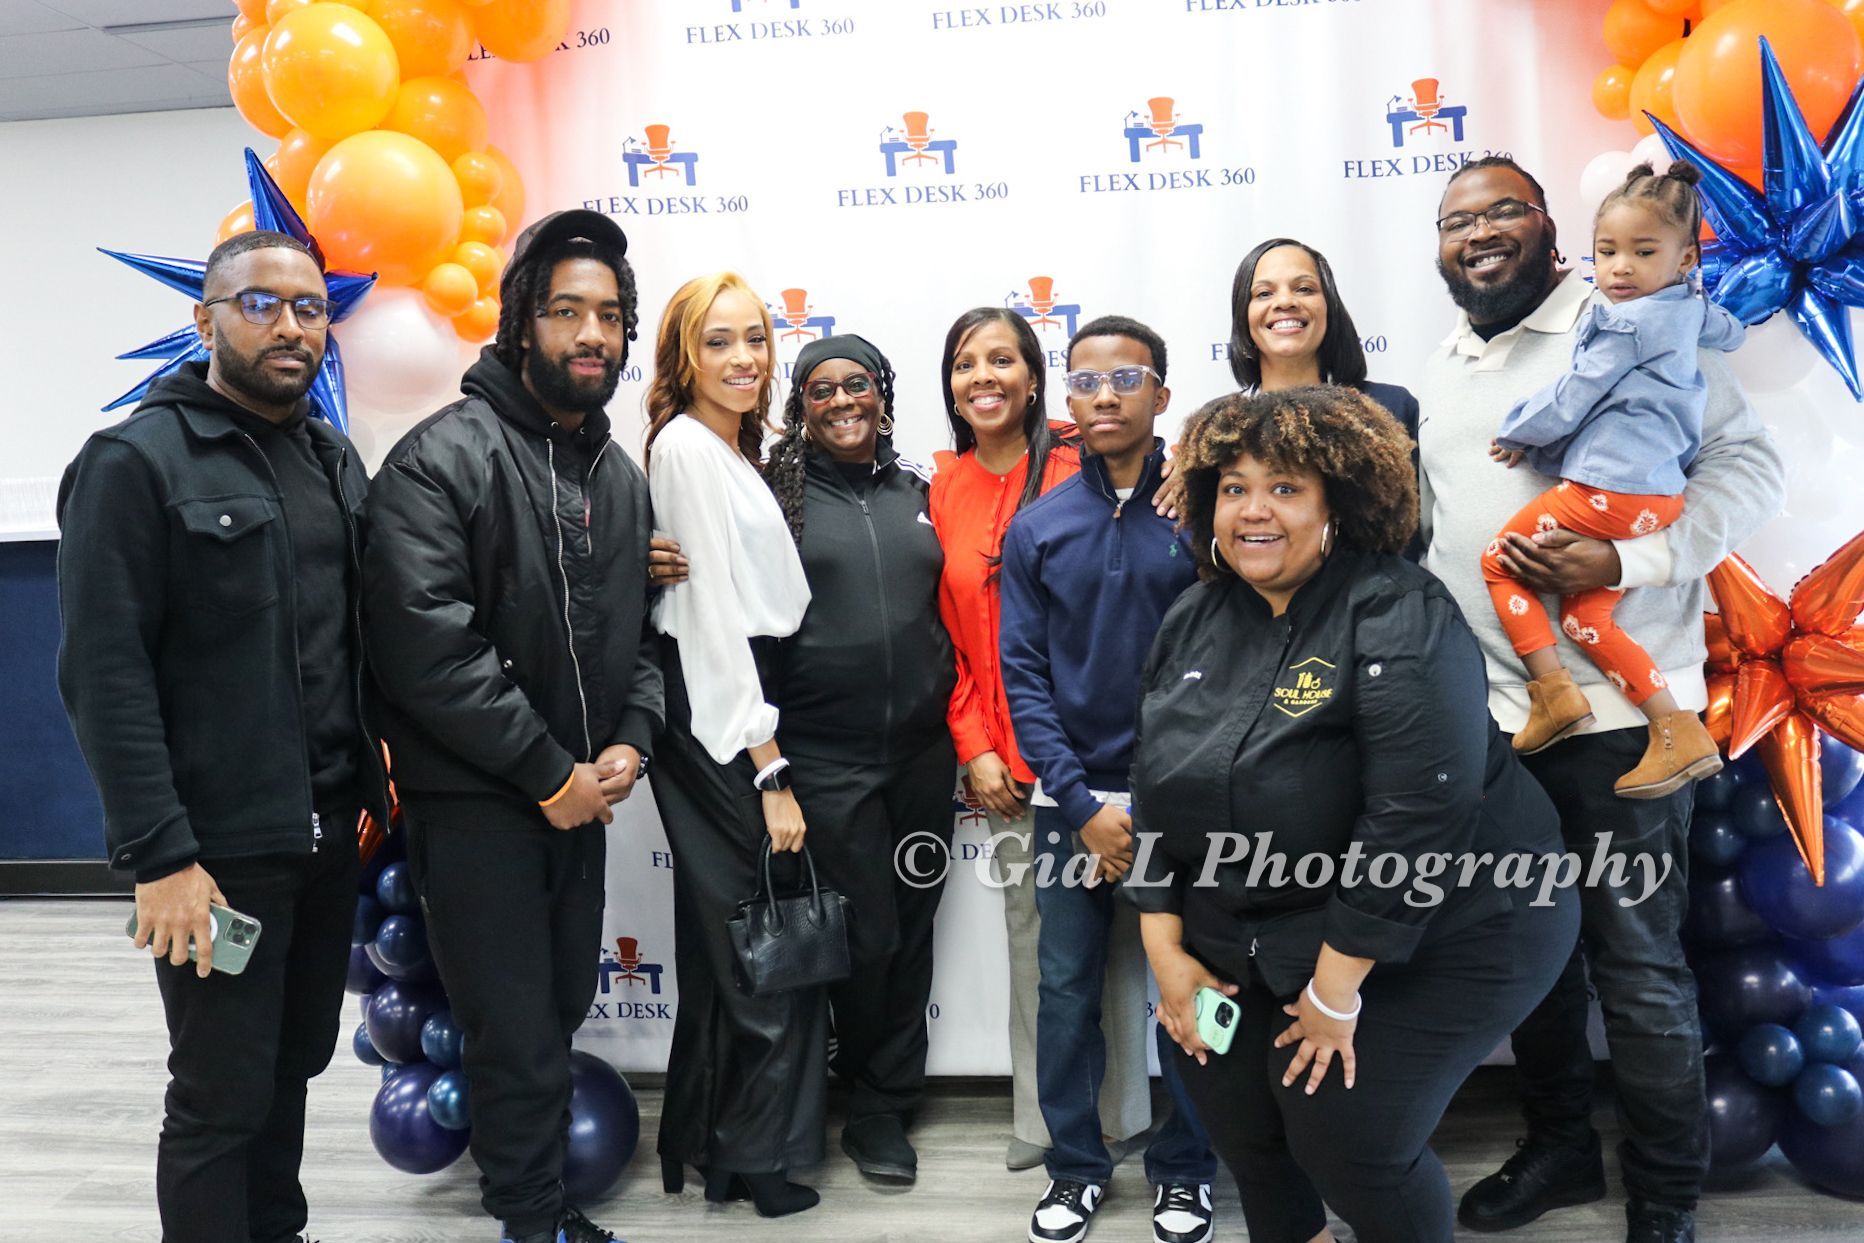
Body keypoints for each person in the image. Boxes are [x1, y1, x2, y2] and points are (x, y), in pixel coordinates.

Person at [1419, 156, 1785, 1243]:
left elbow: (1747, 470)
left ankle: (1665, 1197)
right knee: (1529, 961)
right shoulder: (1444, 362)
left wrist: (1628, 567)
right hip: (1498, 723)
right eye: (1452, 221)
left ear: (1547, 228)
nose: (1475, 233)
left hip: (1625, 727)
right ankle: (1561, 1149)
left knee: (1636, 969)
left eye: (1499, 211)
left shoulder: (1629, 315)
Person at [1128, 385, 1578, 1243]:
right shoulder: (1191, 617)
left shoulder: (1399, 608)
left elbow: (1416, 817)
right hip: (1266, 921)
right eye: (1232, 487)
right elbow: (1156, 790)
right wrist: (1166, 950)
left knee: (1348, 1138)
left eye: (1286, 486)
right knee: (1244, 1127)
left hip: (1467, 920)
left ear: (1340, 499)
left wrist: (1335, 995)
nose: (1253, 509)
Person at [58, 229, 390, 1243]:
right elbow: (103, 676)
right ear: (203, 319)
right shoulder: (133, 462)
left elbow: (360, 629)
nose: (289, 324)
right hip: (217, 850)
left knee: (292, 1061)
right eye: (260, 304)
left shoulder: (330, 456)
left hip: (328, 829)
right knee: (217, 1089)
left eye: (309, 307)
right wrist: (159, 857)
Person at [362, 210, 661, 1243]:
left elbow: (643, 646)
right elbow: (430, 655)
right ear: (518, 323)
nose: (592, 334)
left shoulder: (614, 481)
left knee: (559, 1004)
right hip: (482, 806)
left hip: (579, 804)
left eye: (610, 316)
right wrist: (548, 774)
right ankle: (532, 1219)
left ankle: (535, 1200)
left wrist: (630, 742)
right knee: (510, 1027)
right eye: (567, 310)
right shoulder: (438, 462)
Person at [1000, 315, 1217, 1243]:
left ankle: (1189, 1166)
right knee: (1064, 989)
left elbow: (1229, 667)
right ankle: (1076, 1166)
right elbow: (1025, 676)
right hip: (1071, 806)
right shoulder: (1039, 528)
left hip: (1191, 802)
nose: (1103, 396)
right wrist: (1082, 805)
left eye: (1126, 378)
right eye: (1083, 381)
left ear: (1162, 395)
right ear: (1065, 402)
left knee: (1200, 990)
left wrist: (1162, 799)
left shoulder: (1207, 515)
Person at [927, 306, 1151, 1172]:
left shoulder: (1080, 462)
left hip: (1095, 755)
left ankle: (1126, 1115)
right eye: (963, 363)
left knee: (1131, 947)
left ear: (1033, 378)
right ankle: (1046, 1120)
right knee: (1040, 953)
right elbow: (943, 636)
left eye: (1001, 360)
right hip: (1004, 761)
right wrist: (974, 743)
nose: (981, 377)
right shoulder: (941, 486)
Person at [757, 333, 958, 1184]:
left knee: (914, 930)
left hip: (921, 753)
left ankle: (887, 1103)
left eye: (856, 384)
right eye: (819, 390)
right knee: (866, 934)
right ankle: (860, 1089)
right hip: (826, 760)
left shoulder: (921, 492)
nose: (841, 400)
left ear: (882, 392)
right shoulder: (773, 501)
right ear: (799, 408)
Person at [645, 272, 823, 1219]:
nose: (745, 358)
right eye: (719, 341)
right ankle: (753, 1159)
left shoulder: (723, 446)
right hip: (721, 713)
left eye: (755, 337)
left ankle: (709, 1143)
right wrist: (768, 767)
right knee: (758, 940)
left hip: (736, 700)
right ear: (683, 354)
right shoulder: (683, 447)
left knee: (734, 942)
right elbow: (709, 621)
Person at [1482, 162, 1737, 800]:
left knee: (1498, 562)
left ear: (1685, 258)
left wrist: (1519, 431)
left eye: (1643, 252)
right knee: (1587, 618)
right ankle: (1675, 729)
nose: (1620, 268)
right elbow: (1729, 331)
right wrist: (1711, 308)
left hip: (1610, 492)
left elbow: (1573, 396)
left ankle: (1555, 694)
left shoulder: (1623, 323)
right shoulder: (1688, 310)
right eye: (1607, 251)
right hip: (1653, 499)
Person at [1226, 237, 1419, 434]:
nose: (1284, 301)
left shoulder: (1391, 408)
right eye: (1264, 293)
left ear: (1329, 307)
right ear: (1243, 315)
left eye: (1304, 289)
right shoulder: (1221, 427)